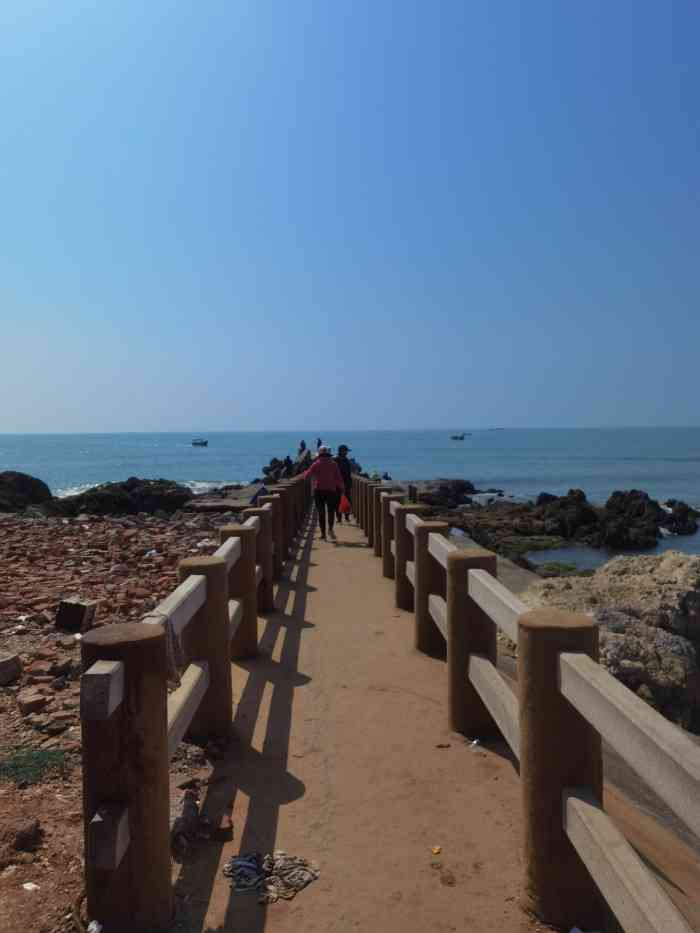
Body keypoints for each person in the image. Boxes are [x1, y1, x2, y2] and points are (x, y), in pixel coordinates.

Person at [304, 445, 344, 540]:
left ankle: (323, 534)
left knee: (321, 512)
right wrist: (342, 488)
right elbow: (338, 478)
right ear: (329, 454)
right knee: (331, 511)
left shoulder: (316, 464)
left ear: (319, 455)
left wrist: (305, 473)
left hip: (319, 490)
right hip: (331, 490)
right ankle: (330, 529)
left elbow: (307, 476)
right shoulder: (334, 464)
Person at [334, 444, 353, 523]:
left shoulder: (335, 460)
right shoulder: (343, 461)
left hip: (338, 484)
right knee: (342, 500)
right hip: (342, 484)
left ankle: (342, 517)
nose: (347, 453)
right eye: (346, 451)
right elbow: (347, 474)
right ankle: (344, 517)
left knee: (339, 501)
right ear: (342, 451)